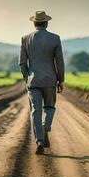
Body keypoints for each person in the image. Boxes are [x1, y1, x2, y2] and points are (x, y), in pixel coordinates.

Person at [18, 10, 65, 155]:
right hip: (50, 80)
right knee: (50, 107)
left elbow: (22, 63)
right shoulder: (55, 38)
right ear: (46, 23)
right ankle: (46, 127)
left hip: (33, 81)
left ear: (34, 23)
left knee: (35, 112)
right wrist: (60, 80)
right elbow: (59, 62)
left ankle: (39, 141)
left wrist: (27, 77)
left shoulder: (25, 38)